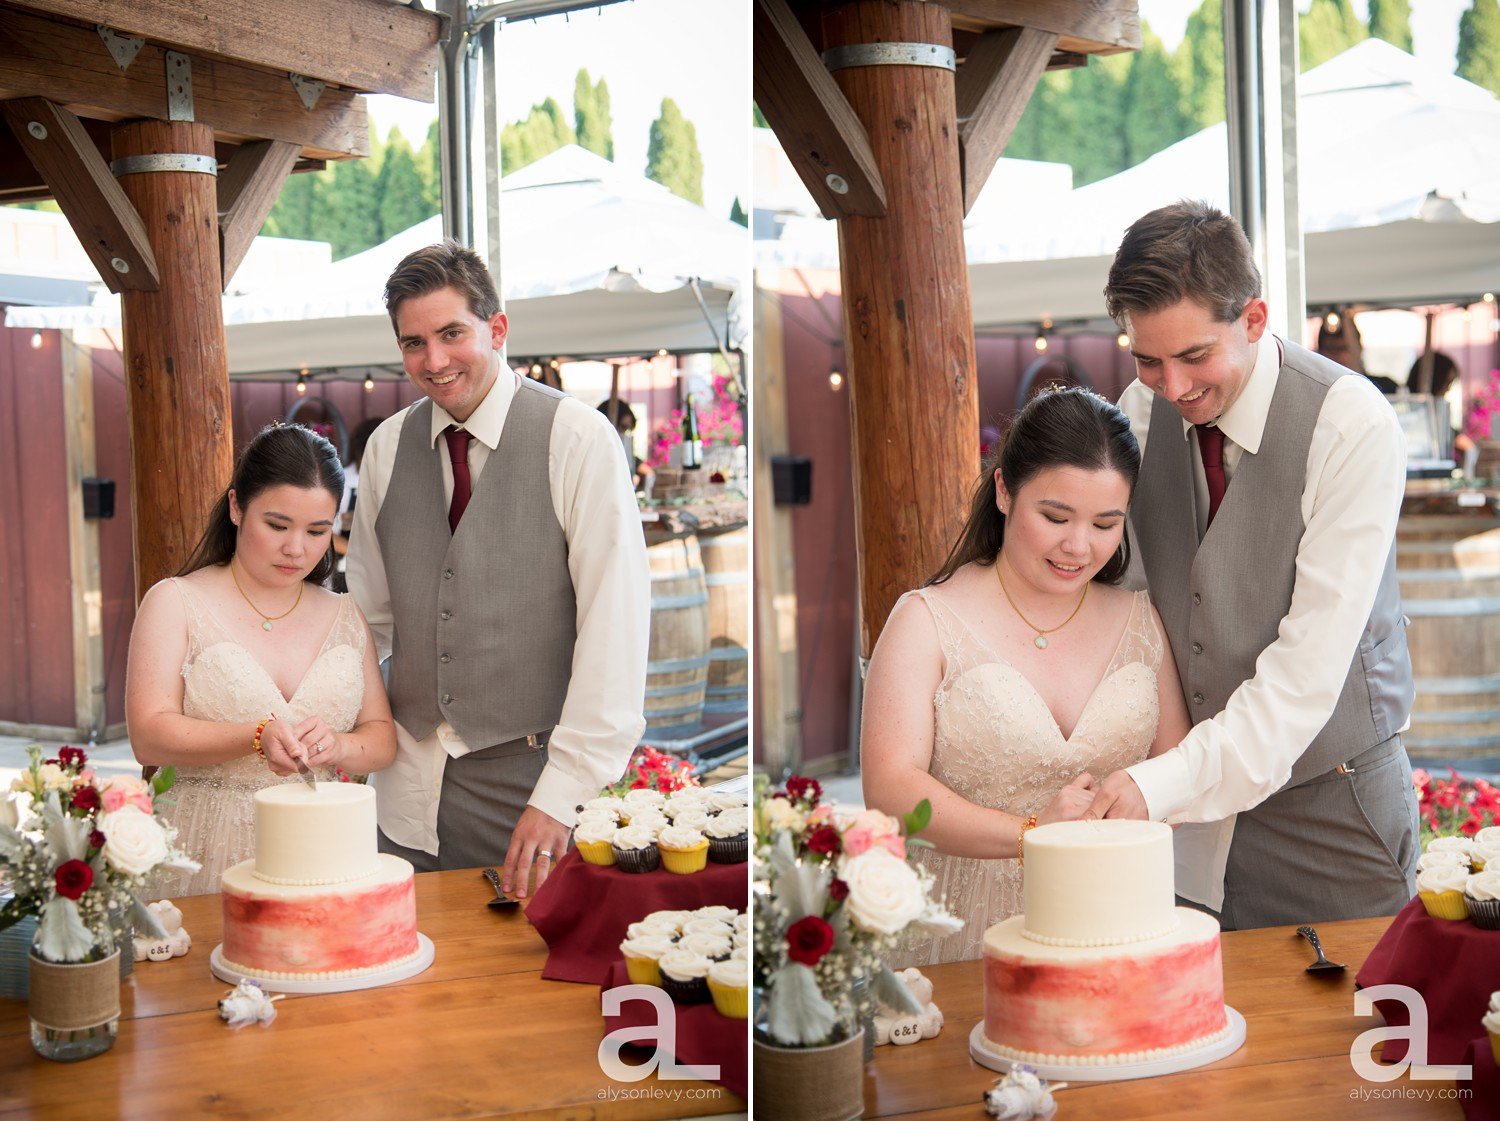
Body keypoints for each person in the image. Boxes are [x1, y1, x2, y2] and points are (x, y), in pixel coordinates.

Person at [1088, 200, 1418, 929]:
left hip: (1330, 810)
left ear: (1255, 319)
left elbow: (1304, 680)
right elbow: (1125, 611)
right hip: (1180, 827)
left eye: (1195, 355)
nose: (1171, 387)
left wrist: (1160, 784)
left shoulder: (1350, 424)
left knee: (1355, 1035)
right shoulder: (1138, 415)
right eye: (1147, 359)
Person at [347, 240, 649, 898]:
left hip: (531, 795)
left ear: (498, 327)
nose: (434, 360)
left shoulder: (577, 438)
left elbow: (614, 631)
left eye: (452, 333)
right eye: (414, 343)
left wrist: (562, 794)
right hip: (400, 796)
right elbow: (367, 621)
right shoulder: (386, 448)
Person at [861, 388, 1192, 965]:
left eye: (1105, 523)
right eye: (1055, 516)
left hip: (1111, 923)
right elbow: (890, 787)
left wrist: (1137, 806)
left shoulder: (1140, 617)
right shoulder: (926, 620)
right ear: (1004, 491)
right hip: (963, 928)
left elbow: (1180, 767)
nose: (1078, 546)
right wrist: (1031, 833)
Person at [125, 423, 397, 895]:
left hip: (322, 851)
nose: (297, 549)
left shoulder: (346, 615)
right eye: (277, 525)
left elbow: (382, 739)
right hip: (204, 844)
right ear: (236, 507)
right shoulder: (175, 602)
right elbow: (148, 736)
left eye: (317, 531)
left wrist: (336, 745)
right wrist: (254, 737)